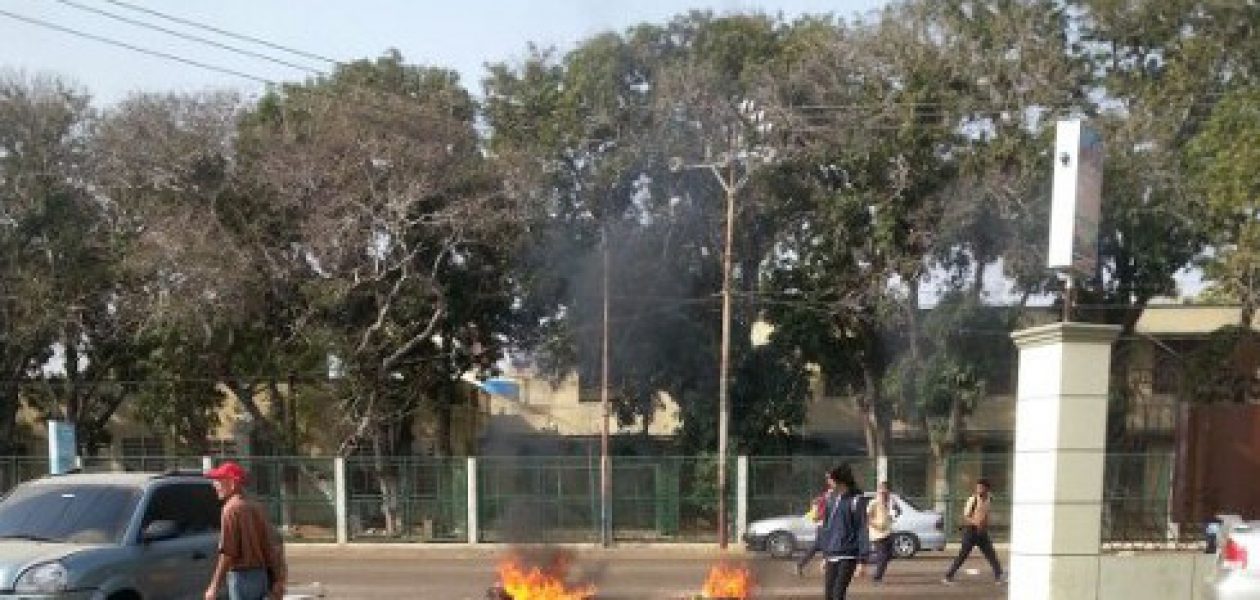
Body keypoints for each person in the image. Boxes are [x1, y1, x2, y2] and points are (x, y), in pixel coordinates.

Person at [204, 461, 287, 600]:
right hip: (261, 576)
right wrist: (278, 579)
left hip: (241, 577)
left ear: (232, 483)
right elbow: (271, 546)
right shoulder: (256, 507)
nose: (214, 485)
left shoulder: (230, 509)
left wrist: (214, 586)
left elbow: (228, 553)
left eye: (218, 480)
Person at [816, 464, 869, 600]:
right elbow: (827, 528)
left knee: (837, 595)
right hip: (831, 554)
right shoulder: (831, 500)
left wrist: (862, 561)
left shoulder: (856, 500)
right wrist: (825, 555)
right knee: (828, 596)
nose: (828, 482)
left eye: (830, 479)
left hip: (848, 555)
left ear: (840, 480)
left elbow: (862, 529)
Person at [943, 478, 1004, 585]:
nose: (979, 489)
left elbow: (986, 514)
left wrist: (985, 525)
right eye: (978, 487)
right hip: (971, 531)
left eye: (981, 487)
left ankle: (999, 576)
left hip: (982, 532)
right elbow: (966, 516)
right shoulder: (973, 499)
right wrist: (976, 523)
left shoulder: (990, 498)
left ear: (987, 489)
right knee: (962, 555)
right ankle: (948, 577)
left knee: (991, 554)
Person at [866, 480, 898, 582]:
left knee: (890, 555)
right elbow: (867, 517)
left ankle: (864, 560)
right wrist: (875, 525)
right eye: (881, 489)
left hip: (888, 532)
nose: (884, 491)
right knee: (883, 556)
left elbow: (892, 514)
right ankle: (877, 577)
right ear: (878, 490)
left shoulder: (889, 502)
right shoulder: (874, 502)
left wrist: (892, 517)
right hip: (878, 534)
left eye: (886, 489)